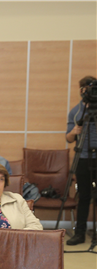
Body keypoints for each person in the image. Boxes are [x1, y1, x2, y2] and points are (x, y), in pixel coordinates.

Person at [65, 75, 97, 245]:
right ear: (81, 90)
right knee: (84, 196)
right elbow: (68, 138)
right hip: (83, 158)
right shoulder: (76, 111)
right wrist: (74, 132)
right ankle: (80, 233)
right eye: (86, 88)